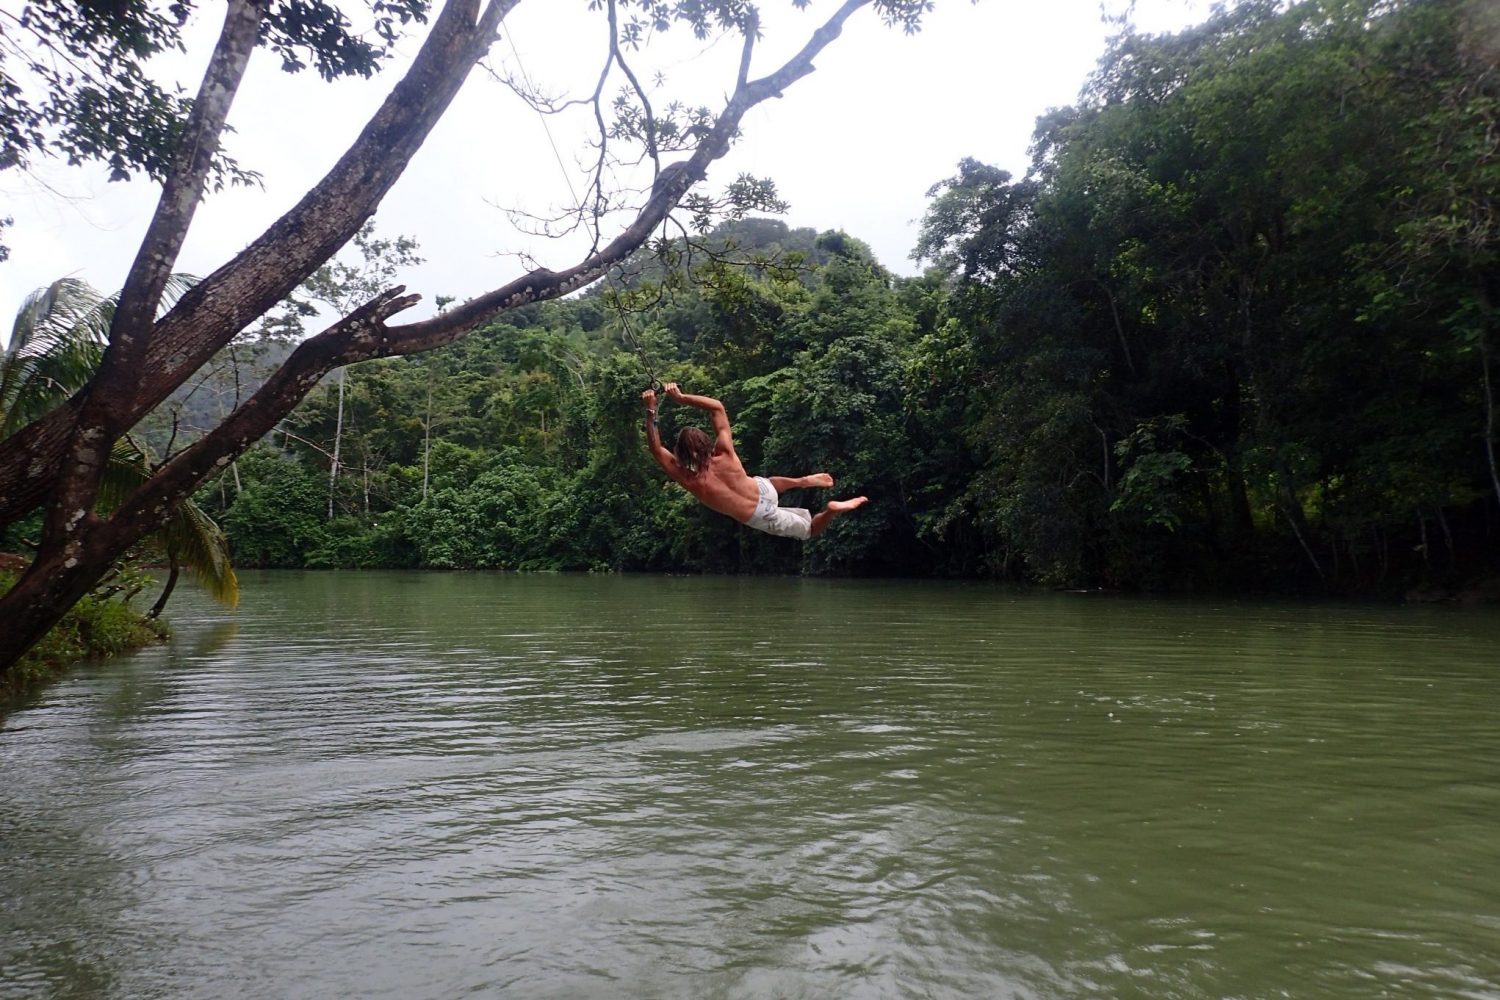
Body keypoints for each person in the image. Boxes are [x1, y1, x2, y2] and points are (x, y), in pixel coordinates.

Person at [642, 382, 867, 540]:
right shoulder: (725, 453)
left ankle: (831, 510)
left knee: (811, 529)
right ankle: (801, 481)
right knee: (765, 482)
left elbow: (656, 449)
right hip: (761, 490)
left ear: (681, 453)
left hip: (757, 514)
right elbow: (717, 407)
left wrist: (651, 410)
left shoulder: (690, 480)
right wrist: (681, 398)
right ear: (705, 442)